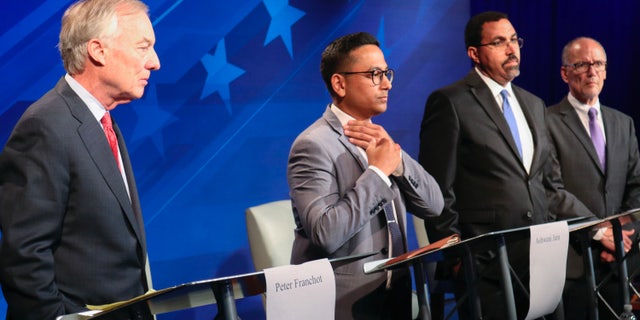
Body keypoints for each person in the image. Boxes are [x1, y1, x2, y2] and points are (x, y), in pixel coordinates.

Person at [418, 11, 590, 319]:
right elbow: (436, 189)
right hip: (486, 265)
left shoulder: (534, 104)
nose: (512, 50)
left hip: (541, 257)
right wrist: (457, 256)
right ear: (474, 53)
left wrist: (589, 226)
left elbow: (547, 182)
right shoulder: (450, 102)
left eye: (514, 40)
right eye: (499, 42)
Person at [0, 0, 160, 319]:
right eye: (143, 47)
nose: (154, 62)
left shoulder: (103, 121)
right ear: (98, 50)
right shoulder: (45, 126)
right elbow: (25, 259)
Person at [288, 32, 444, 319]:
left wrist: (398, 163)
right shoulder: (313, 145)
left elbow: (434, 206)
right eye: (374, 74)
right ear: (340, 83)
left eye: (386, 73)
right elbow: (326, 233)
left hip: (394, 295)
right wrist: (377, 173)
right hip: (343, 304)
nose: (386, 84)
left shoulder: (380, 140)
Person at [546, 36, 640, 320]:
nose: (592, 71)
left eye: (599, 64)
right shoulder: (546, 122)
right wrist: (600, 233)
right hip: (575, 261)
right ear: (565, 73)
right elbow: (551, 190)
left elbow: (636, 186)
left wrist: (624, 234)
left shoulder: (623, 123)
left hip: (624, 260)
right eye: (582, 64)